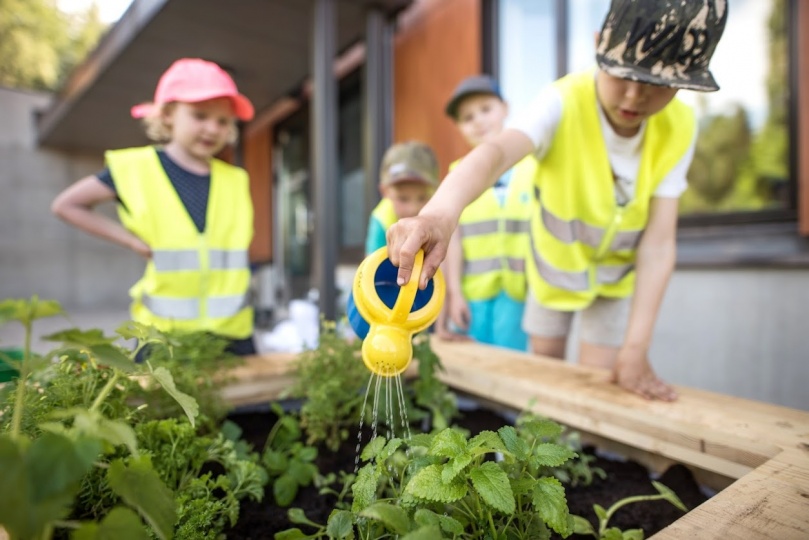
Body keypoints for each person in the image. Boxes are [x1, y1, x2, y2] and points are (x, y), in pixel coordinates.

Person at [385, 0, 728, 401]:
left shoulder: (680, 126)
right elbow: (495, 154)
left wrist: (636, 349)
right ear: (599, 46)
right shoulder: (562, 101)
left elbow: (658, 244)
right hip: (554, 268)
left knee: (599, 387)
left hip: (615, 277)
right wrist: (440, 214)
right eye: (621, 75)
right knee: (544, 384)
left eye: (657, 84)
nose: (634, 97)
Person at [51, 58, 258, 356]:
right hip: (163, 335)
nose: (212, 128)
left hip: (232, 334)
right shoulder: (135, 168)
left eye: (223, 121)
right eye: (200, 115)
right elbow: (67, 205)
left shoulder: (236, 180)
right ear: (168, 114)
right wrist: (131, 241)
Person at [435, 75, 534, 351]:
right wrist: (453, 293)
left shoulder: (533, 170)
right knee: (473, 360)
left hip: (520, 293)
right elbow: (453, 241)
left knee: (514, 367)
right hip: (473, 295)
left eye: (486, 110)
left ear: (505, 107)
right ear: (458, 127)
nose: (478, 120)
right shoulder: (457, 175)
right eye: (468, 117)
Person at [365, 141, 439, 256]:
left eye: (423, 198)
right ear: (385, 191)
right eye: (403, 199)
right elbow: (371, 268)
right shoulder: (381, 220)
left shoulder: (444, 214)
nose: (413, 209)